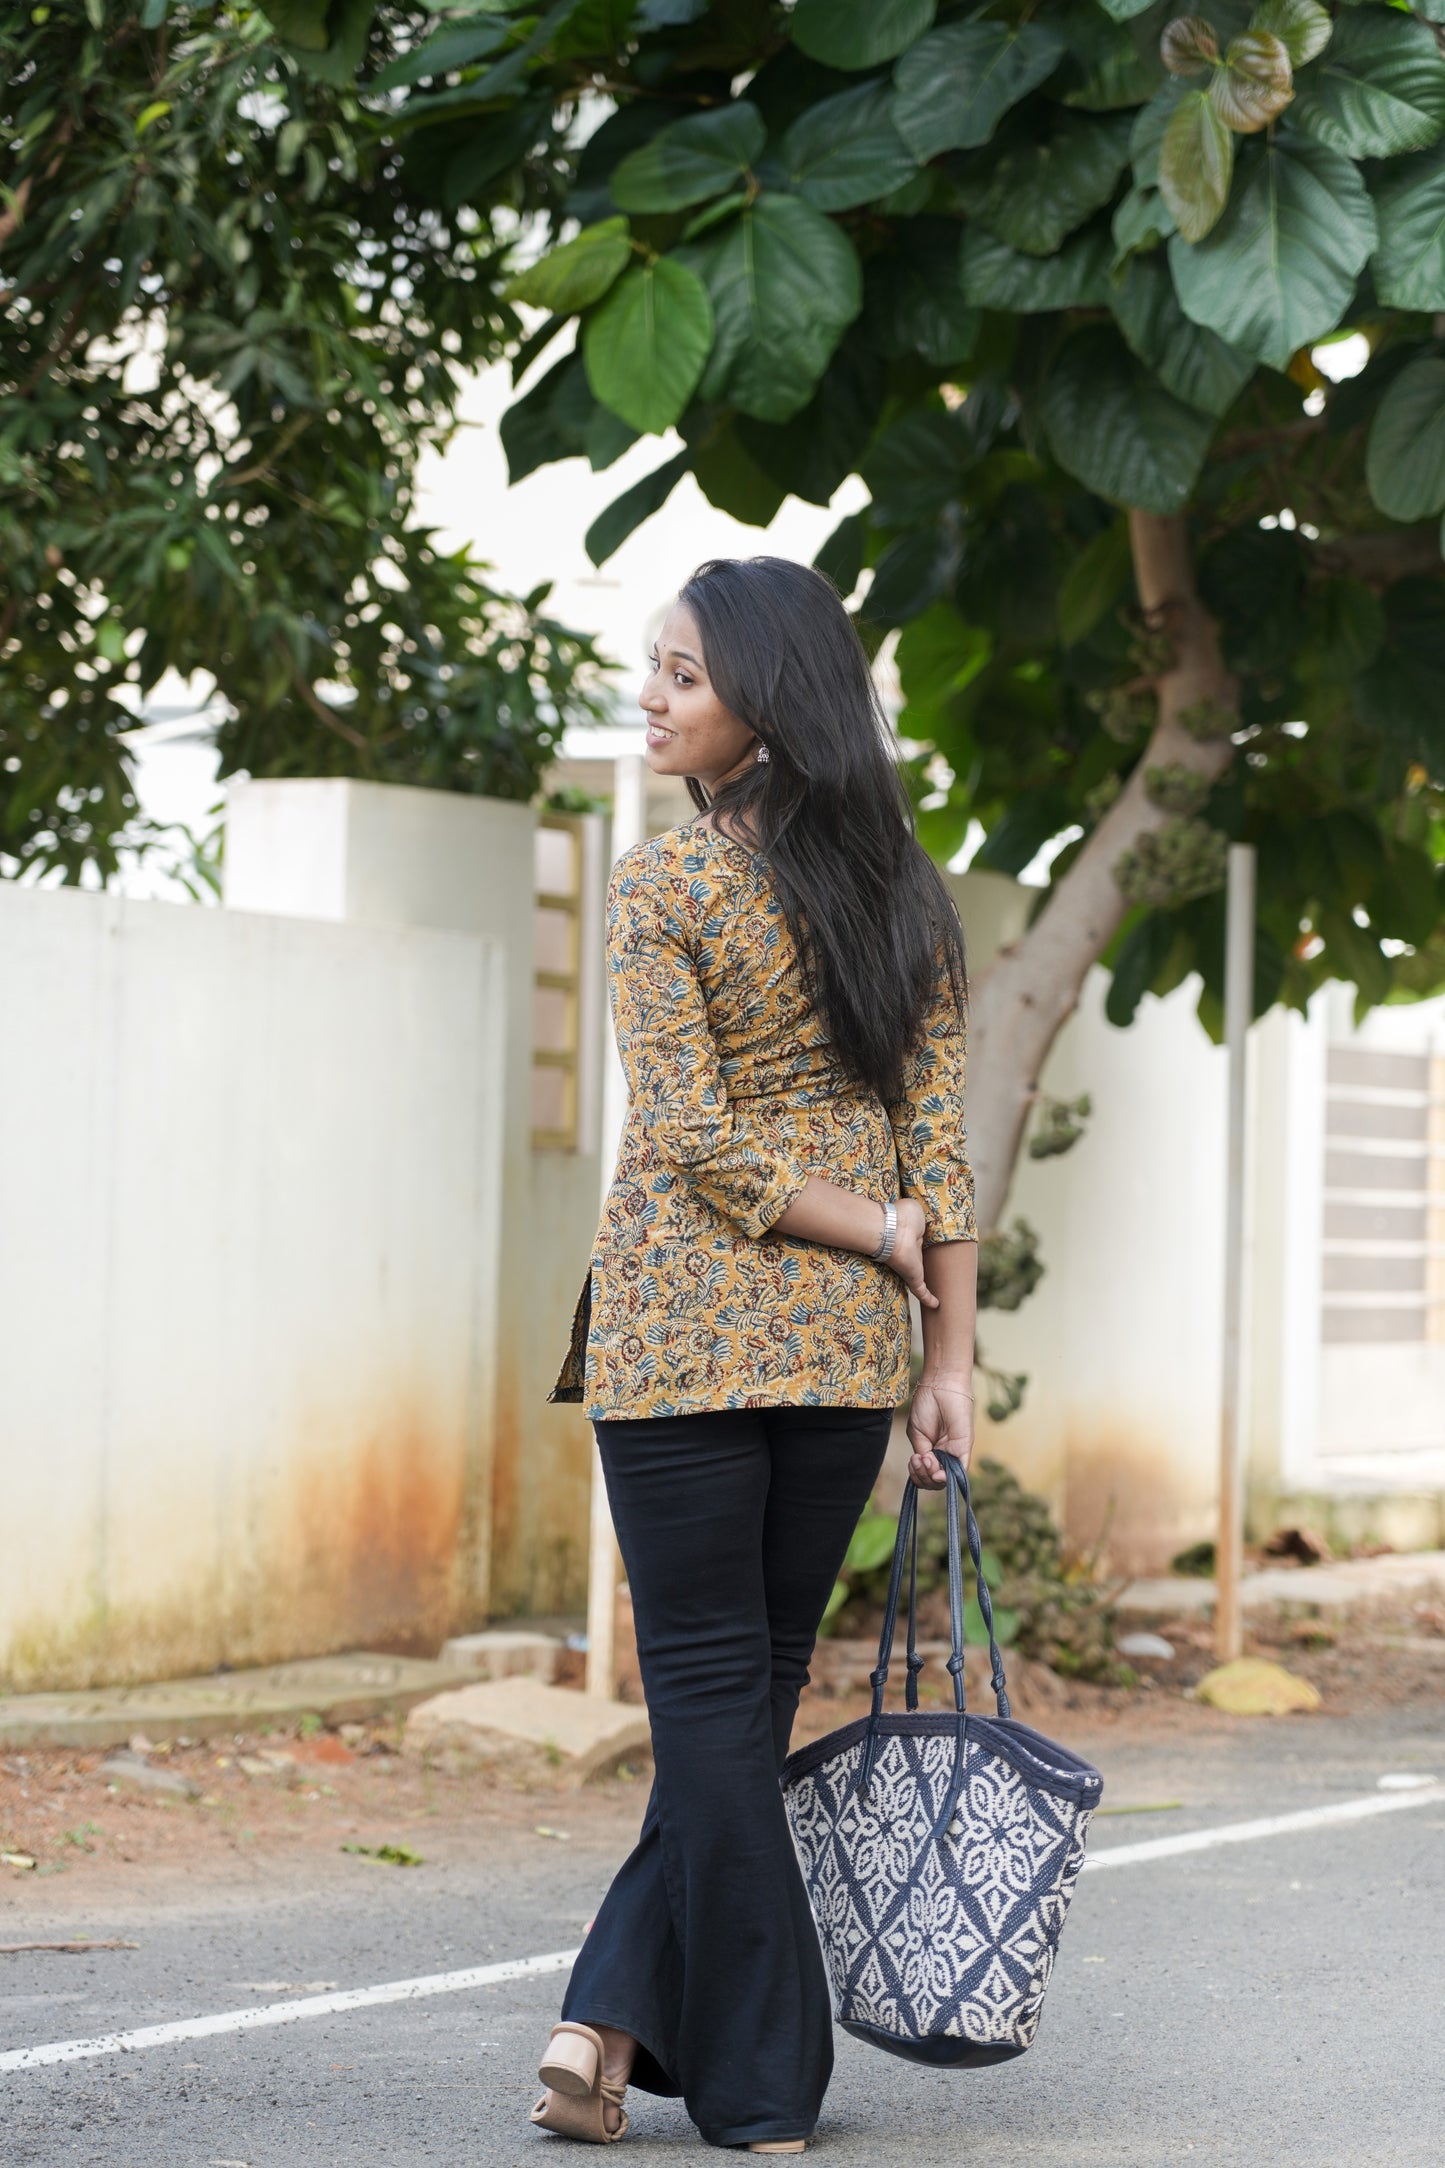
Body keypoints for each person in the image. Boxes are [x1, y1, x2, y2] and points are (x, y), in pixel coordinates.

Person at [531, 556, 978, 2152]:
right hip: (846, 1350)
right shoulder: (907, 895)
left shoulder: (664, 887)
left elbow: (696, 1143)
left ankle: (761, 2085)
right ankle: (602, 2024)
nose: (650, 698)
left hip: (681, 1336)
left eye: (682, 678)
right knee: (752, 1692)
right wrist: (945, 1355)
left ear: (766, 702)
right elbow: (940, 1142)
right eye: (652, 668)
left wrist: (871, 1238)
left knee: (714, 1697)